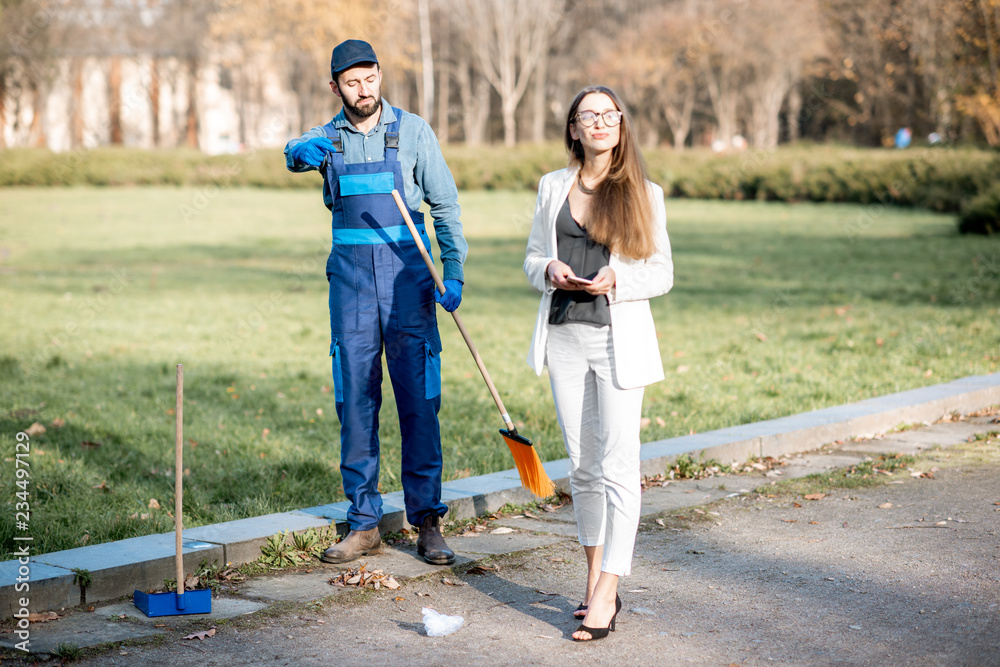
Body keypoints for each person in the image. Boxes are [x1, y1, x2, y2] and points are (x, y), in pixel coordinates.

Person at [284, 39, 467, 566]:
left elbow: (446, 205)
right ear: (336, 86)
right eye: (351, 82)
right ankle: (363, 523)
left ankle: (427, 520)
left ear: (379, 76)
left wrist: (451, 271)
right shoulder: (327, 138)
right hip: (351, 287)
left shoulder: (413, 132)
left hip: (410, 279)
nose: (363, 90)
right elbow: (293, 151)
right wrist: (302, 153)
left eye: (370, 79)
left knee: (419, 398)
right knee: (355, 399)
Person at [523, 85, 673, 641]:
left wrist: (620, 279)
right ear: (574, 129)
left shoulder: (644, 193)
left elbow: (662, 272)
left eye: (610, 114)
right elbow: (531, 259)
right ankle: (592, 582)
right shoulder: (552, 187)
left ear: (620, 125)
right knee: (582, 466)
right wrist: (550, 272)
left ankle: (610, 589)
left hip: (617, 341)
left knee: (617, 466)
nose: (602, 122)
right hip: (563, 337)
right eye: (591, 115)